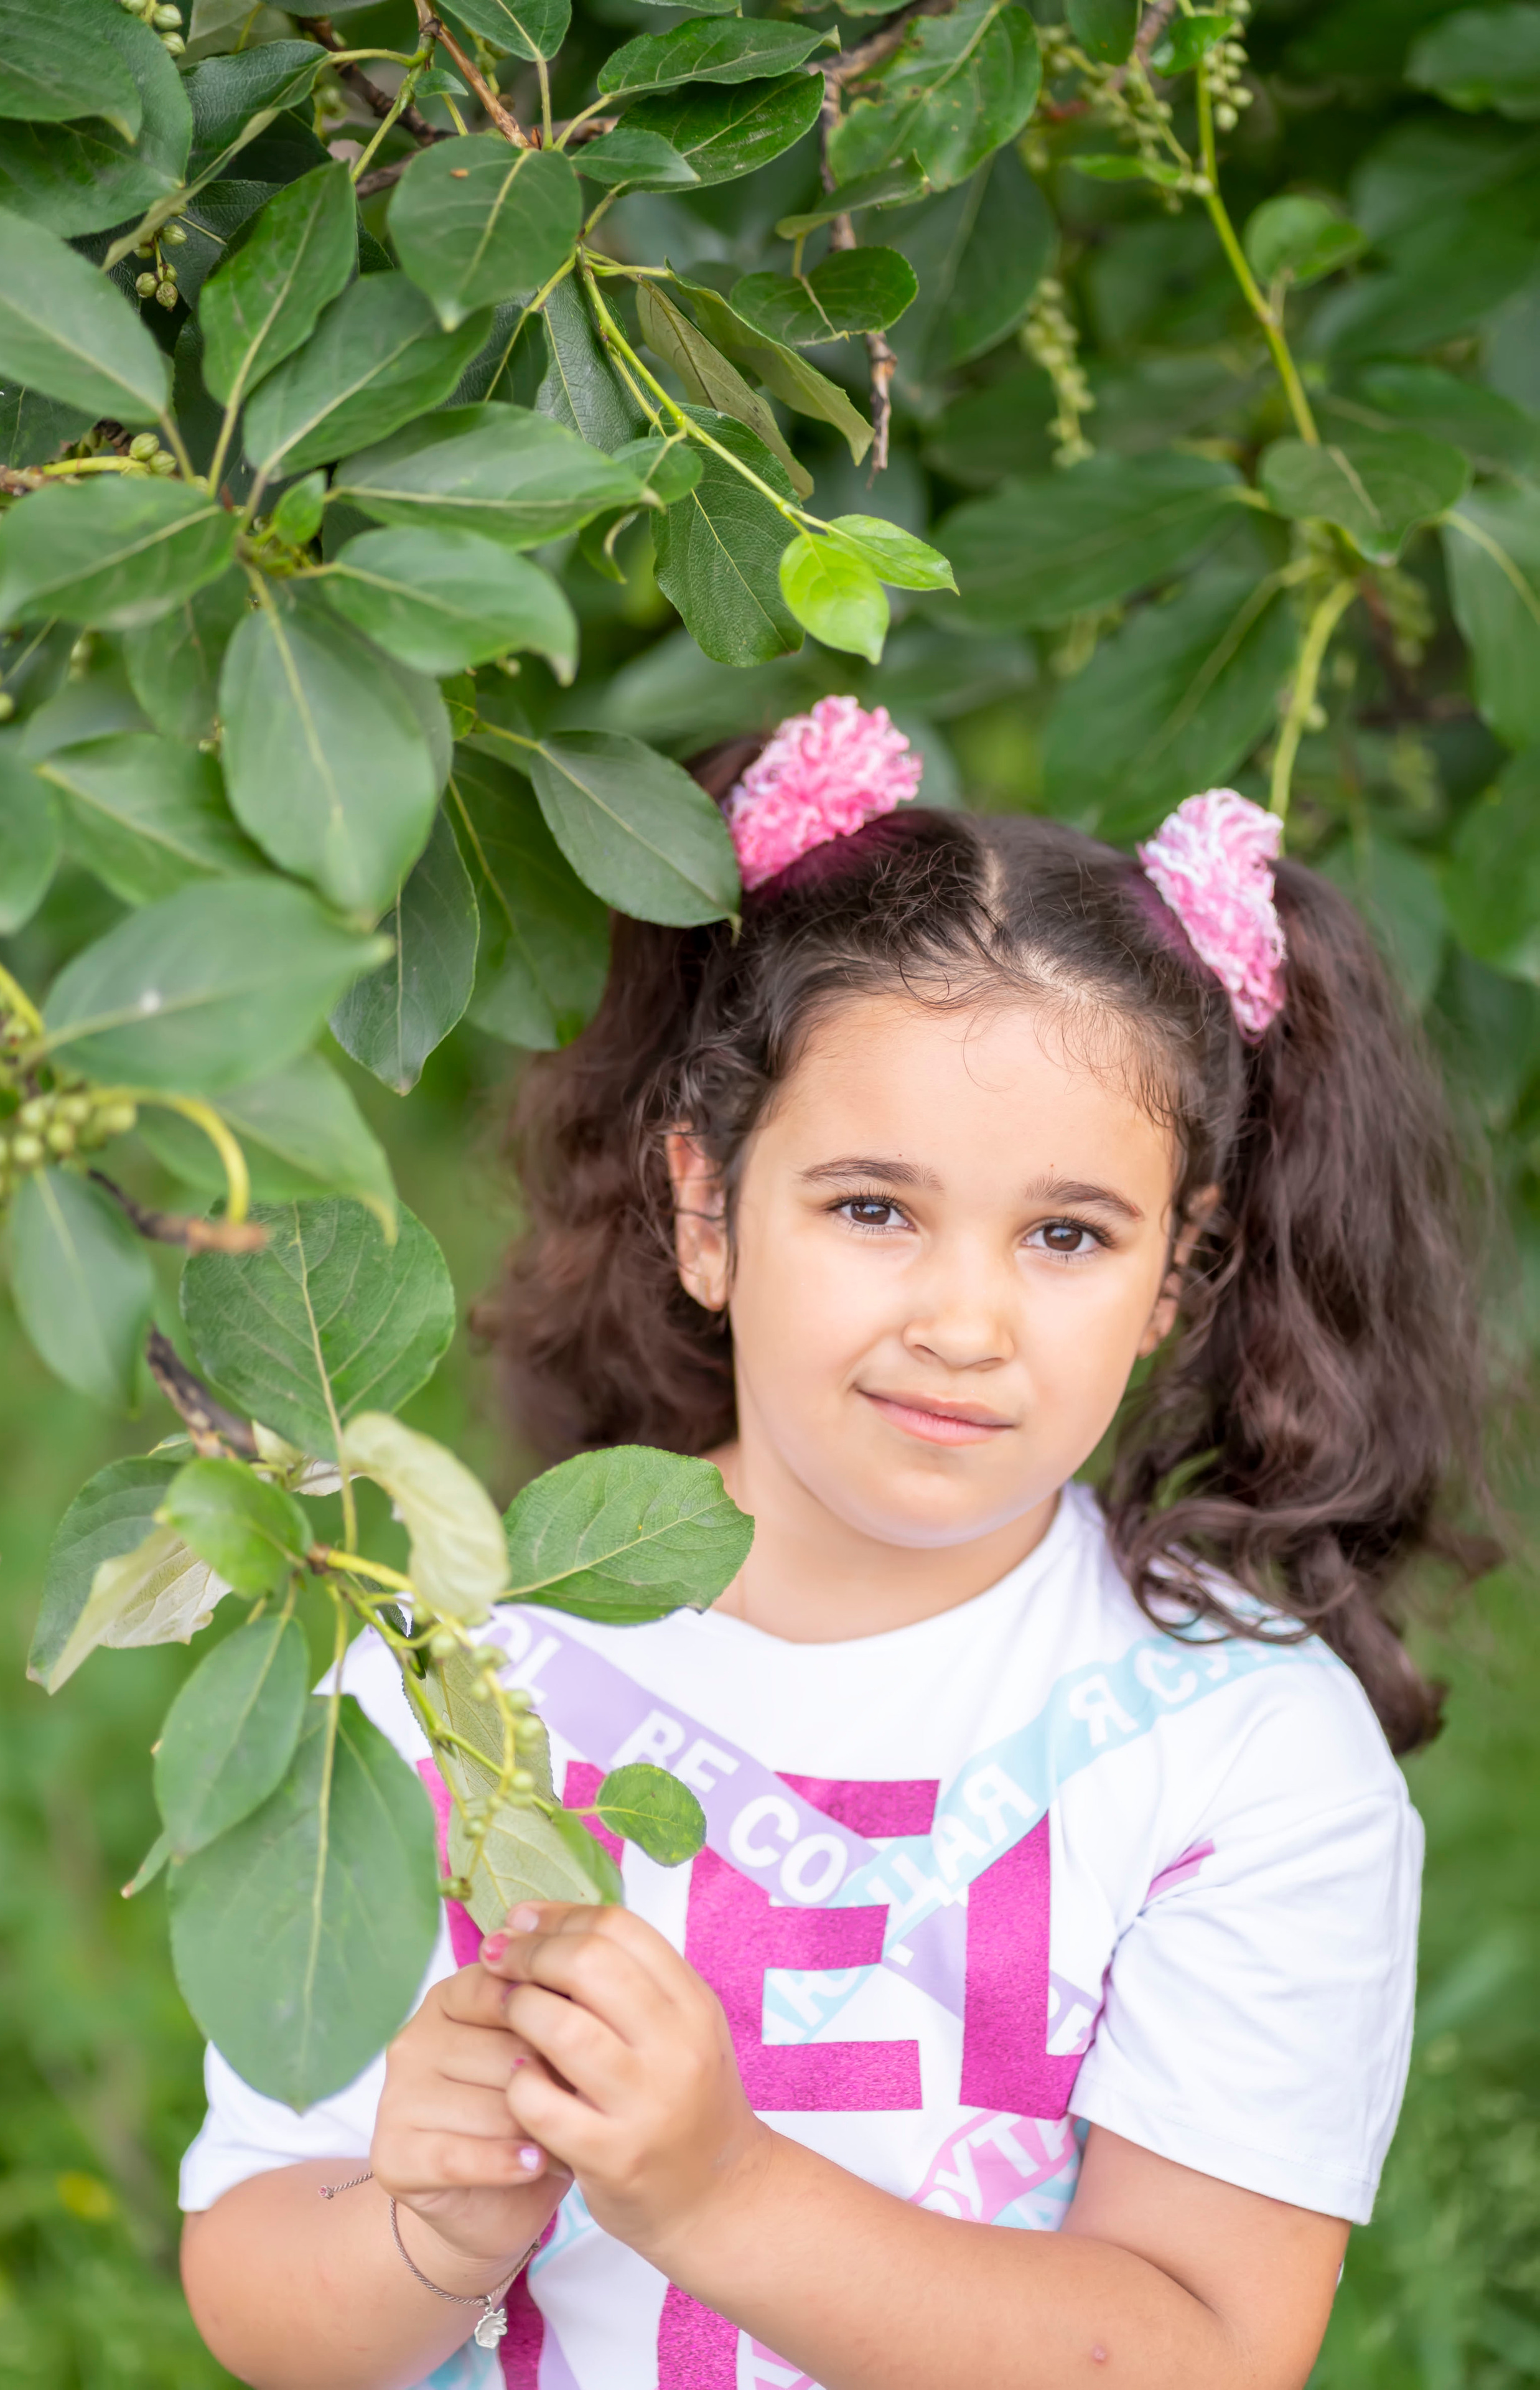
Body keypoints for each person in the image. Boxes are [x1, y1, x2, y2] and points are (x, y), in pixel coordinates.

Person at [179, 697, 1492, 2390]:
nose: (965, 1320)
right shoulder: (445, 1658)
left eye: (1070, 1235)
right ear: (708, 1210)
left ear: (1179, 1277)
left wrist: (718, 2191)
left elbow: (1205, 2351)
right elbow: (259, 2285)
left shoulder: (1239, 1758)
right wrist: (431, 2230)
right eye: (874, 1208)